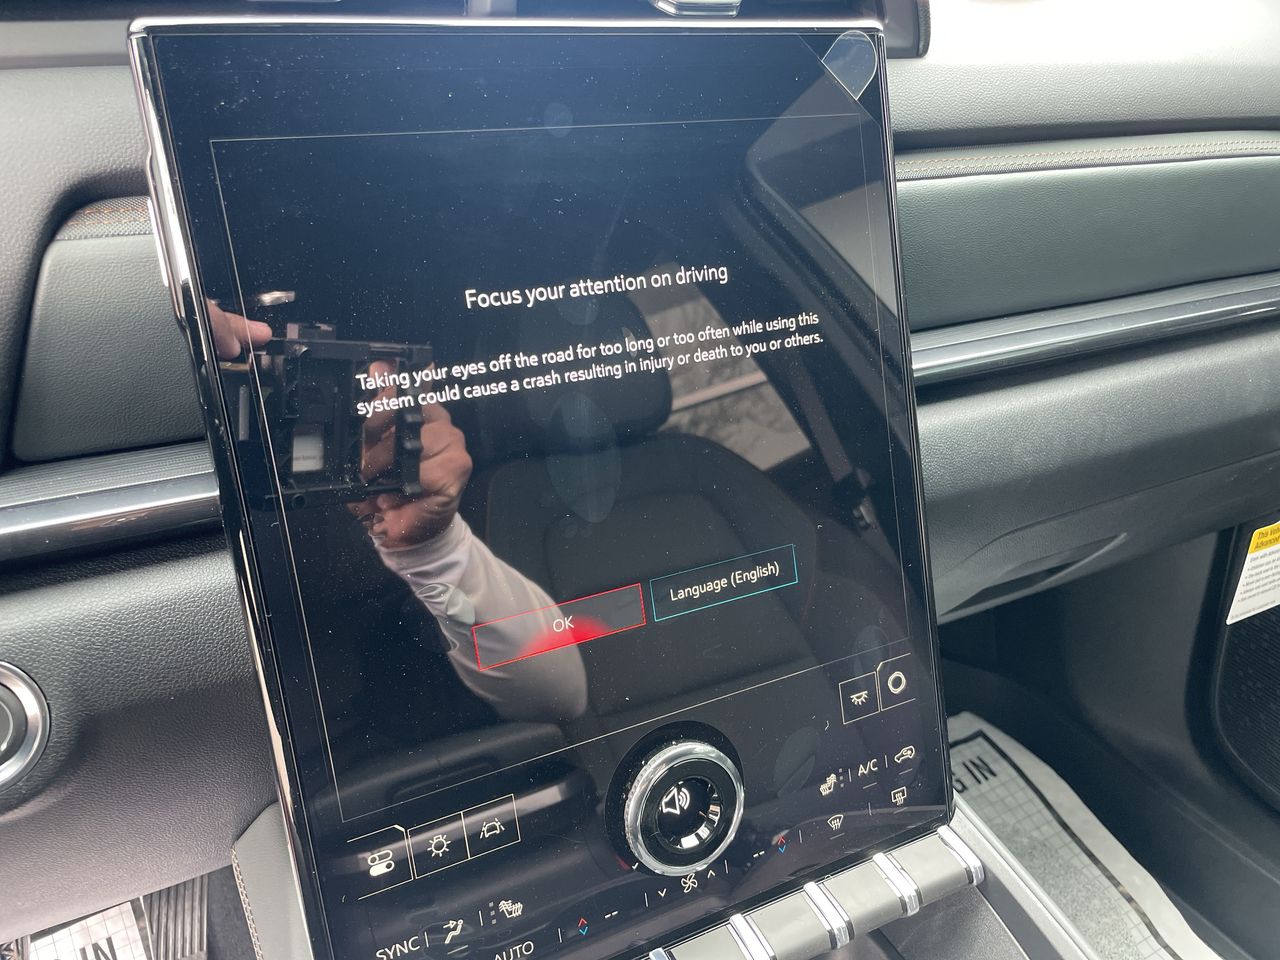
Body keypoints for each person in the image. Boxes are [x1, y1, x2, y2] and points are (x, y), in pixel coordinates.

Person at [208, 299, 589, 722]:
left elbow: (561, 697)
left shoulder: (451, 502)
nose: (326, 406)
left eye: (352, 388)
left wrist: (432, 549)